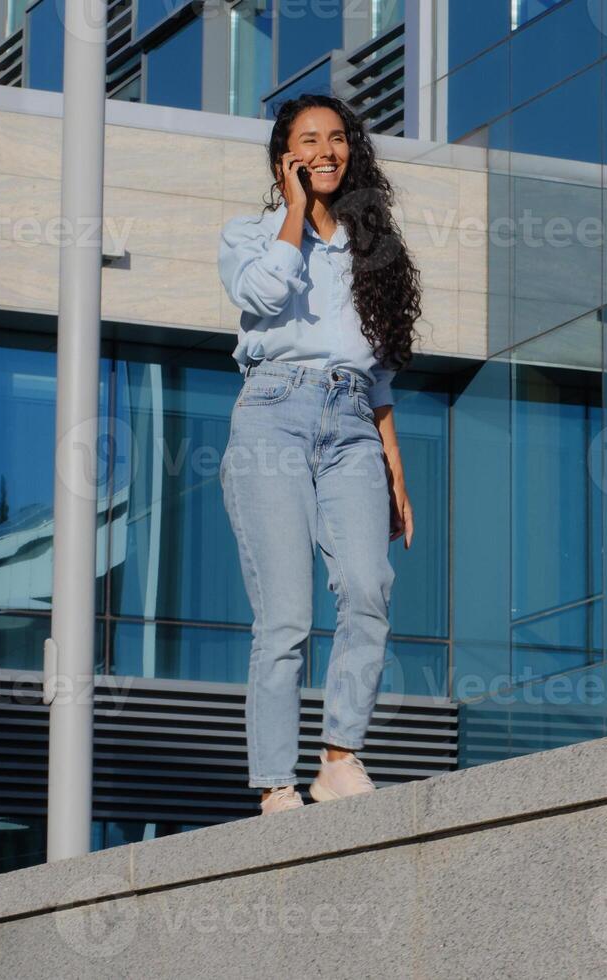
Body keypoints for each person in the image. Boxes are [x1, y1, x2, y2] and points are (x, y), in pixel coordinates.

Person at [217, 94, 422, 815]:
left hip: (353, 423)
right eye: (309, 140)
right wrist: (295, 215)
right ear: (285, 157)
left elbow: (382, 372)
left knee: (369, 585)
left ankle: (339, 756)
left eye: (337, 139)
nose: (327, 150)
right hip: (272, 415)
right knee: (285, 616)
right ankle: (276, 783)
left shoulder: (371, 246)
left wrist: (395, 467)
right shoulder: (250, 233)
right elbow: (262, 294)